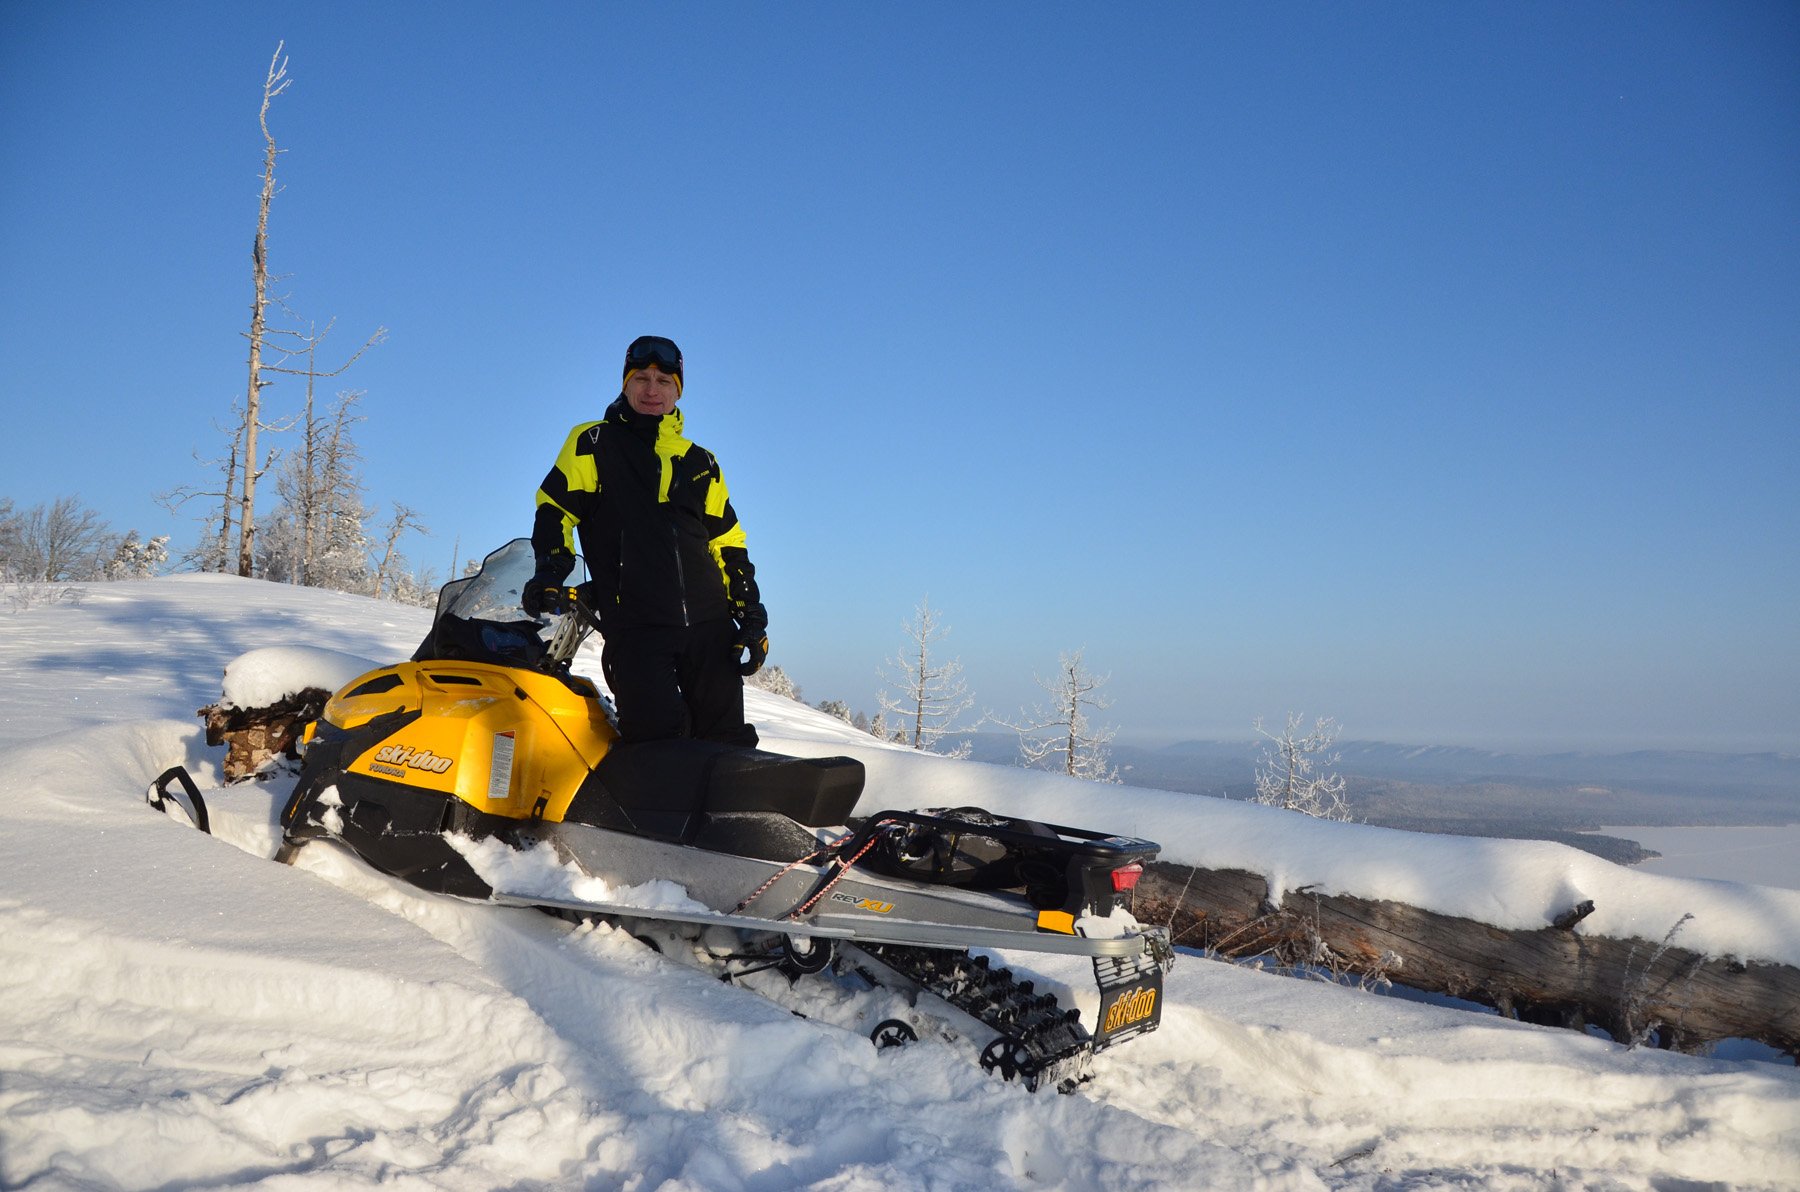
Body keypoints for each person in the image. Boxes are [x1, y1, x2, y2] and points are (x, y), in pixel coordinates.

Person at [526, 334, 767, 747]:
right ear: (625, 384)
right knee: (654, 747)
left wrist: (749, 612)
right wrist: (550, 569)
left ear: (678, 390)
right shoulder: (594, 442)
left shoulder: (701, 462)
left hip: (710, 628)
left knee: (727, 745)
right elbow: (554, 510)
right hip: (637, 627)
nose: (652, 390)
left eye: (663, 381)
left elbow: (727, 540)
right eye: (641, 378)